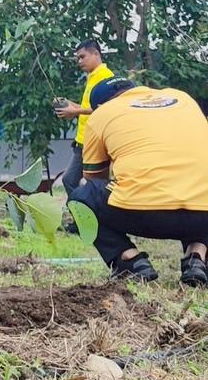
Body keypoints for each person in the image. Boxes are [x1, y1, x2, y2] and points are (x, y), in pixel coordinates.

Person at [69, 77, 208, 286]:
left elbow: (94, 177)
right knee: (199, 183)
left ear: (98, 105)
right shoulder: (183, 98)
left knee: (82, 196)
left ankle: (130, 261)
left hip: (144, 215)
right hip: (202, 215)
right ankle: (197, 255)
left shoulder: (102, 114)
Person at [55, 40, 114, 192]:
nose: (79, 61)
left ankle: (85, 206)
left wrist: (74, 112)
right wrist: (70, 104)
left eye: (82, 57)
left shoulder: (105, 76)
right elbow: (89, 107)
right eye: (78, 58)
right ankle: (85, 205)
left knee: (76, 181)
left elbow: (105, 109)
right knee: (80, 182)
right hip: (83, 140)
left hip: (94, 141)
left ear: (96, 54)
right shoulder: (92, 76)